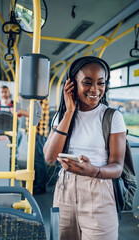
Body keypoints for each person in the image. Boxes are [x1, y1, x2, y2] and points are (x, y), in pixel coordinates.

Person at [43, 56, 126, 240]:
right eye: (87, 83)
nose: (95, 90)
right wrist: (70, 112)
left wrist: (94, 171)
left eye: (101, 83)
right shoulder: (62, 116)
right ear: (71, 85)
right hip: (65, 190)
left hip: (99, 190)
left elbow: (117, 167)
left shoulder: (112, 117)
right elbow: (49, 157)